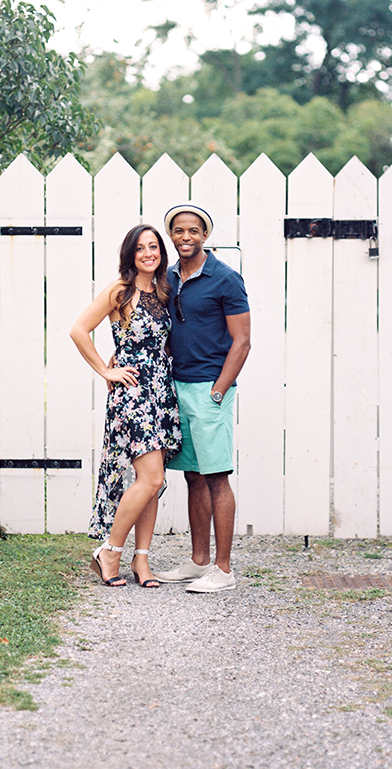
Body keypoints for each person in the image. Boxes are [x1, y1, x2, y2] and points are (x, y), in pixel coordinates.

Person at [70, 224, 181, 588]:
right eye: (141, 248)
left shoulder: (164, 292)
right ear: (130, 255)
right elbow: (79, 330)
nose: (149, 253)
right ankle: (110, 551)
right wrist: (106, 368)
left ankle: (142, 562)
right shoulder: (120, 292)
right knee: (151, 477)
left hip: (161, 391)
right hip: (132, 393)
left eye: (154, 247)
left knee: (153, 483)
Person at [152, 203, 251, 593]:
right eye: (178, 231)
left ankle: (223, 570)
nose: (186, 237)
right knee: (193, 476)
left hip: (210, 388)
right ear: (171, 235)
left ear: (205, 235)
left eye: (194, 231)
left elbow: (242, 342)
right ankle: (198, 562)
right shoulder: (169, 277)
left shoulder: (225, 279)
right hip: (177, 386)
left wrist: (219, 390)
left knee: (215, 476)